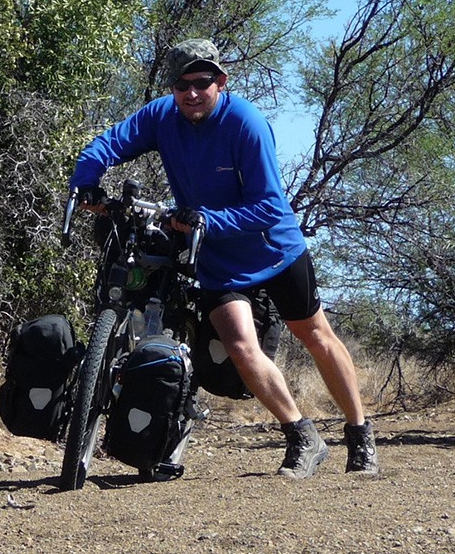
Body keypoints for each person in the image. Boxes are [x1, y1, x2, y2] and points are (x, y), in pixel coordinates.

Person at [69, 38, 379, 478]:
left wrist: (208, 218)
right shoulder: (162, 116)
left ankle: (360, 434)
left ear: (221, 81)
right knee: (239, 346)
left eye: (202, 82)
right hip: (217, 258)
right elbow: (109, 143)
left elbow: (270, 206)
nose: (192, 93)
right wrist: (86, 181)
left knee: (316, 335)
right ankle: (301, 436)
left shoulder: (245, 123)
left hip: (274, 249)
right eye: (182, 85)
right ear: (172, 88)